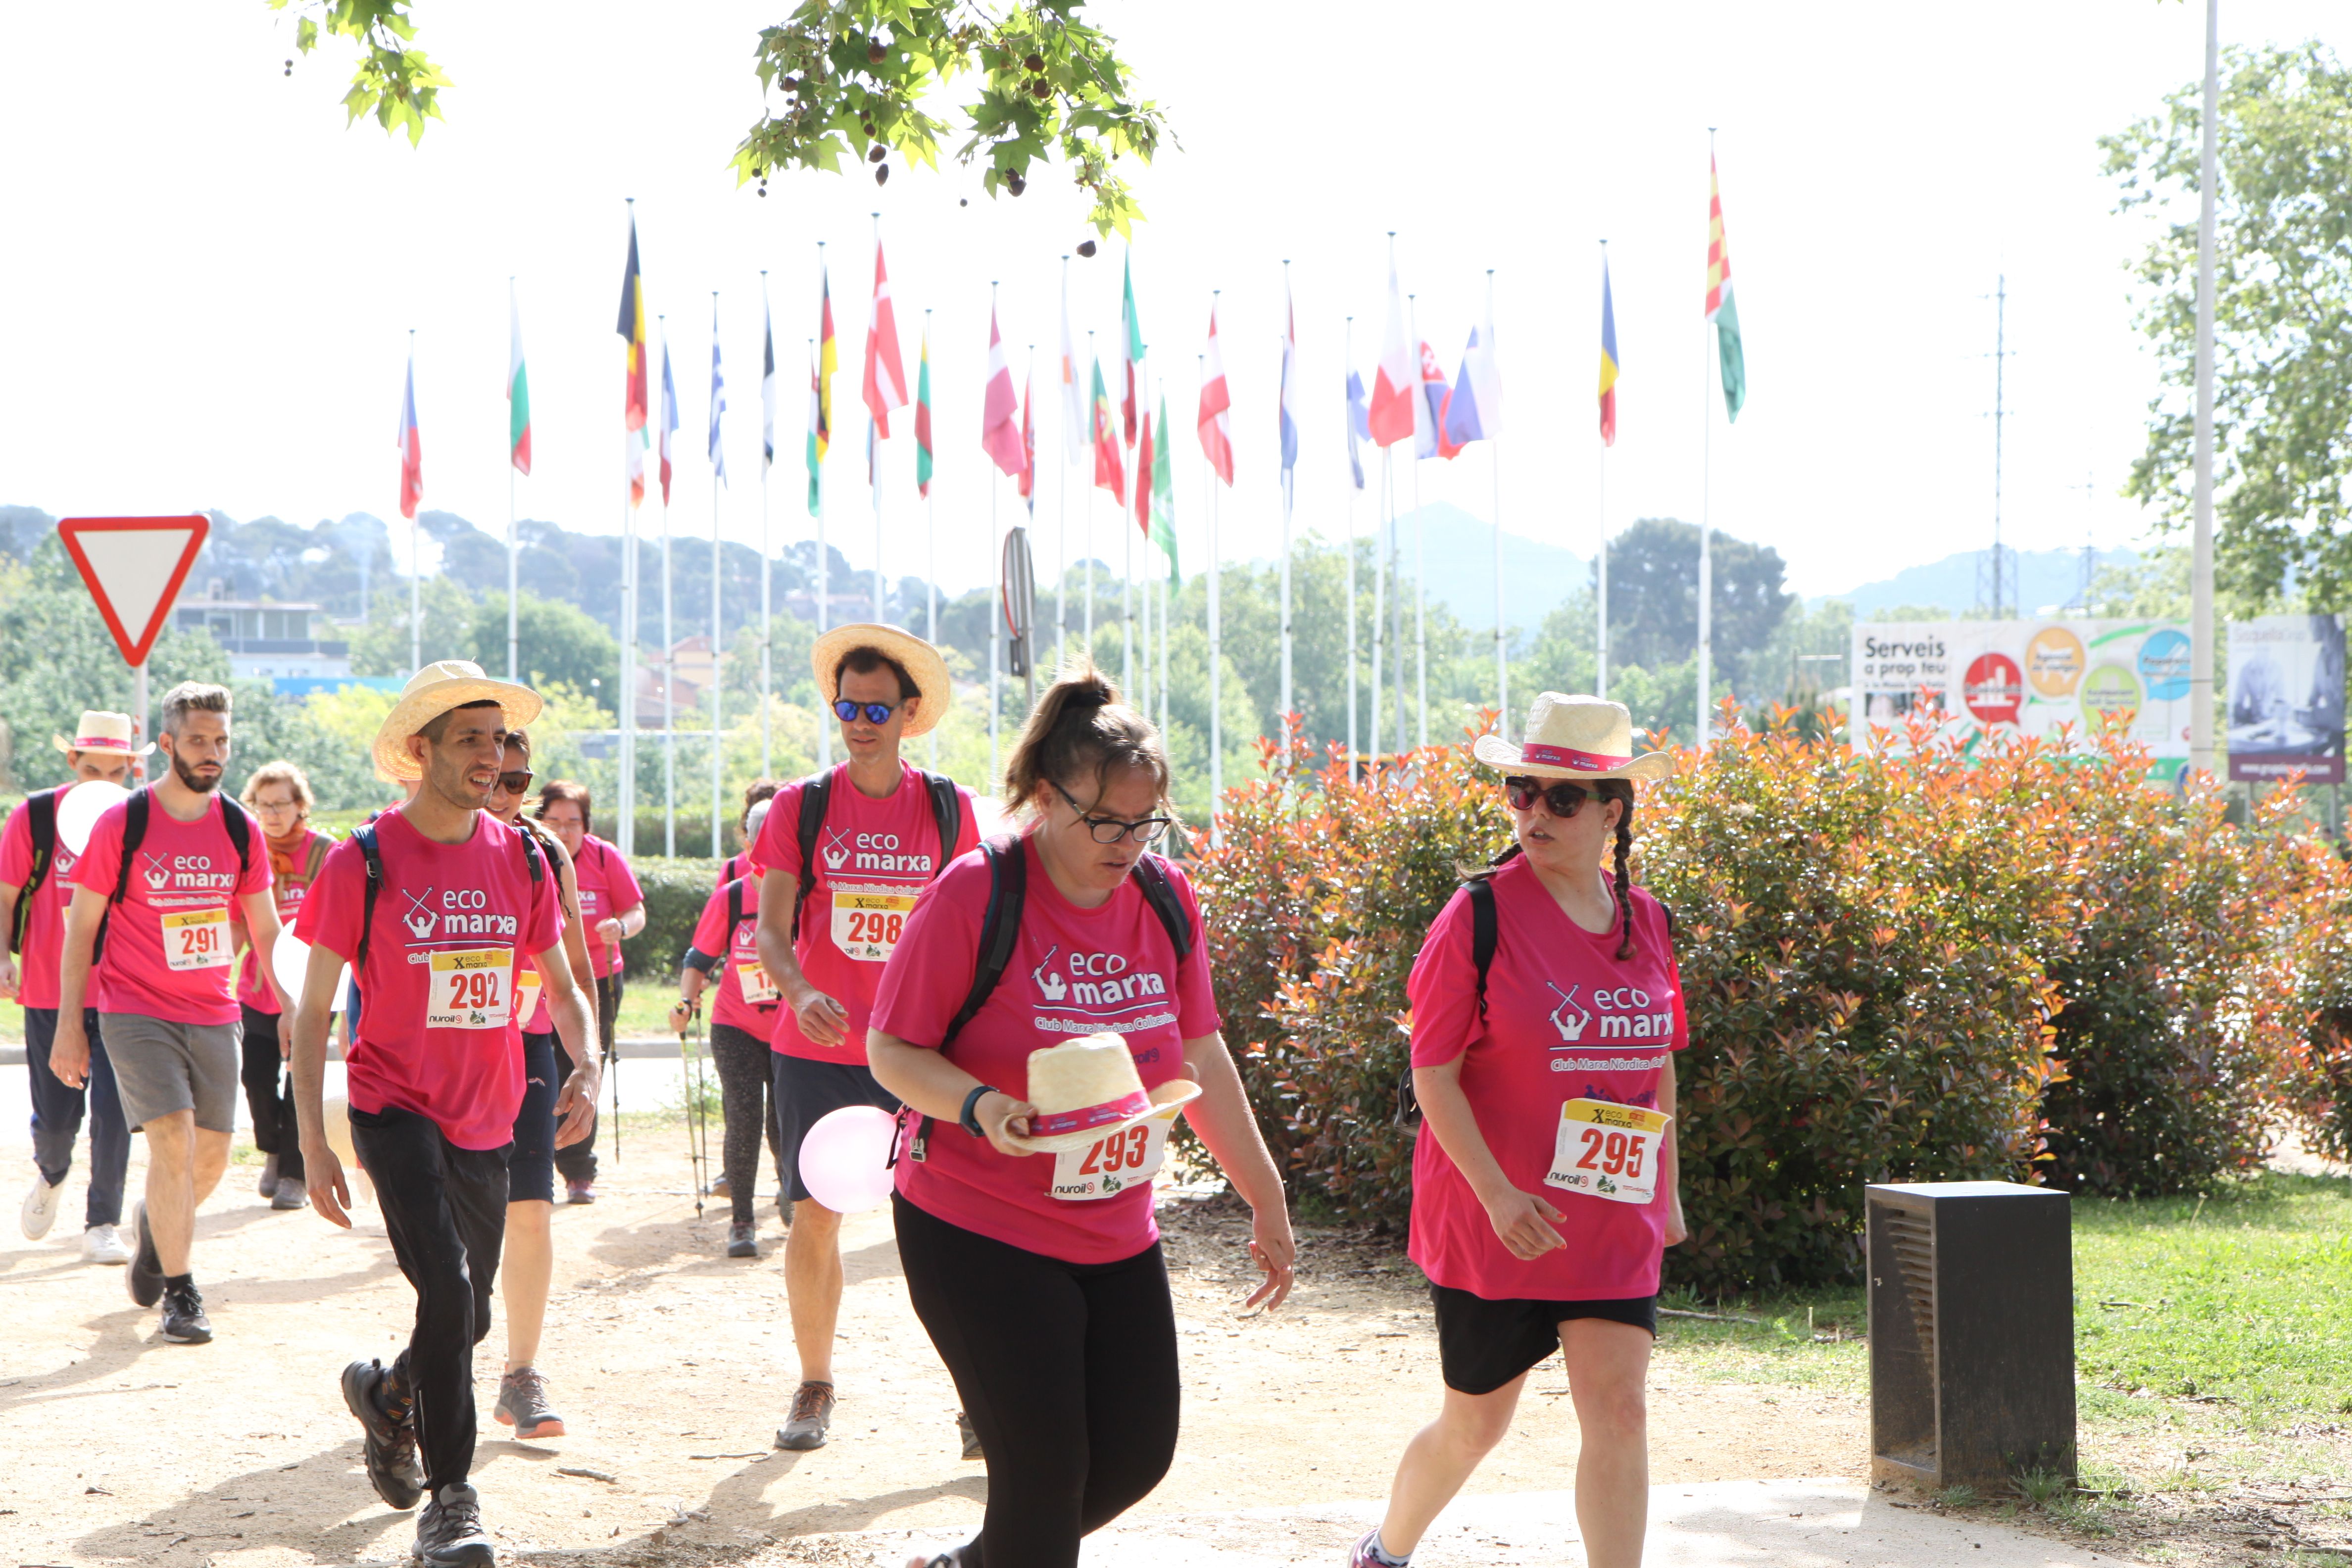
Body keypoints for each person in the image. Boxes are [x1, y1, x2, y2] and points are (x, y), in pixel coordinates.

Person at [866, 665, 1296, 1568]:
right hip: (974, 1221)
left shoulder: (1164, 896)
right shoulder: (976, 893)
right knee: (1046, 1470)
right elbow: (893, 1051)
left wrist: (1263, 1190)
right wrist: (981, 1104)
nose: (1127, 842)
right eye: (1105, 820)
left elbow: (1199, 1054)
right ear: (1044, 796)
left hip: (1113, 1224)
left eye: (1146, 822)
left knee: (1135, 1456)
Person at [1351, 693, 1688, 1568]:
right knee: (1474, 1424)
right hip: (1497, 1213)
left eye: (1561, 797)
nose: (1534, 811)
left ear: (1612, 809)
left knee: (1620, 1407)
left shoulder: (1644, 919)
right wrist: (1497, 1193)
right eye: (1520, 791)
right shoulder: (1477, 914)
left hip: (1612, 1211)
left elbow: (1658, 1064)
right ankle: (1385, 1550)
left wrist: (1669, 1187)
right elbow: (1433, 1070)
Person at [289, 661, 598, 1568]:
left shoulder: (527, 855)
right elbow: (308, 1010)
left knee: (464, 1317)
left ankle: (386, 1394)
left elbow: (562, 981)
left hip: (487, 1109)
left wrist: (588, 1058)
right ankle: (451, 1500)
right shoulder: (364, 858)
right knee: (454, 1287)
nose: (489, 755)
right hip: (393, 1105)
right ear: (420, 750)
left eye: (499, 740)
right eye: (470, 737)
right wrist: (313, 1137)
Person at [750, 624, 981, 1452]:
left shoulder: (950, 809)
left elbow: (975, 933)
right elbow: (771, 929)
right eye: (847, 705)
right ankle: (814, 1385)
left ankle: (978, 1400)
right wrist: (801, 989)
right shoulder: (801, 805)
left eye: (877, 707)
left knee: (952, 1227)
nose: (860, 721)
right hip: (816, 1050)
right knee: (815, 1215)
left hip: (918, 1054)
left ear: (909, 713)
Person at [51, 684, 286, 1344]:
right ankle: (182, 1295)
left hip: (215, 1009)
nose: (212, 753)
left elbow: (265, 931)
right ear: (166, 745)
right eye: (197, 740)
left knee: (208, 1158)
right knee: (174, 1138)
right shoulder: (123, 825)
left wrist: (291, 1003)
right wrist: (73, 1023)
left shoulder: (239, 827)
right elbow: (81, 930)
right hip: (134, 1009)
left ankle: (158, 1231)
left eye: (221, 741)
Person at [485, 728, 596, 1439]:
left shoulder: (543, 853)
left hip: (525, 1050)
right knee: (455, 1231)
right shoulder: (398, 843)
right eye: (494, 777)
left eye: (520, 781)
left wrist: (590, 1064)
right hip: (432, 1059)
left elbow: (575, 973)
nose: (503, 794)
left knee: (530, 1210)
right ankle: (424, 1367)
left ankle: (521, 1374)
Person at [1, 710, 142, 1263]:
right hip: (48, 991)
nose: (102, 783)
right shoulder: (35, 817)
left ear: (133, 768)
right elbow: (6, 897)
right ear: (72, 762)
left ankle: (101, 1220)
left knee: (114, 1111)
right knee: (58, 1121)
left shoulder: (142, 821)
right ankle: (52, 1172)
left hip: (123, 993)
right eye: (92, 770)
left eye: (115, 772)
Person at [674, 794, 786, 1257]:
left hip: (794, 1028)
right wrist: (686, 999)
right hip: (736, 1025)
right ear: (749, 843)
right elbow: (699, 959)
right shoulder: (734, 896)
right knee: (744, 1118)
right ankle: (742, 1221)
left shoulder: (809, 895)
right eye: (762, 841)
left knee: (785, 1123)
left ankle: (792, 1197)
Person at [534, 780, 643, 1203]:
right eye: (554, 821)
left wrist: (622, 928)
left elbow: (636, 910)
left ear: (587, 825)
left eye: (573, 823)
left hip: (596, 979)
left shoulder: (603, 857)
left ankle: (579, 1171)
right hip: (539, 980)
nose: (563, 832)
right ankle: (533, 1159)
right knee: (539, 1068)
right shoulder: (529, 853)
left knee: (584, 1065)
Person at [232, 761, 331, 1212]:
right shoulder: (246, 852)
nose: (271, 814)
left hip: (312, 987)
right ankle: (271, 1146)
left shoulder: (325, 854)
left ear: (301, 806)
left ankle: (293, 1173)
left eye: (281, 804)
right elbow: (236, 925)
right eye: (263, 805)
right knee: (254, 1074)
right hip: (258, 988)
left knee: (300, 1080)